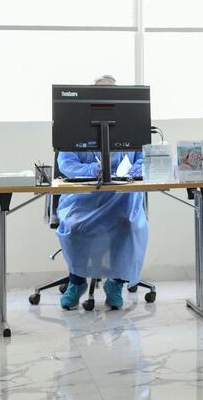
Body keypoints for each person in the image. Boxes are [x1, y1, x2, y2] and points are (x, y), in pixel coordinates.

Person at [56, 75, 149, 310]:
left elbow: (143, 160)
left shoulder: (130, 125)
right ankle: (76, 281)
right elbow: (66, 163)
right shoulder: (74, 124)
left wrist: (127, 173)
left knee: (127, 224)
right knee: (75, 226)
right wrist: (94, 168)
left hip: (121, 196)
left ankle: (115, 283)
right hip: (83, 197)